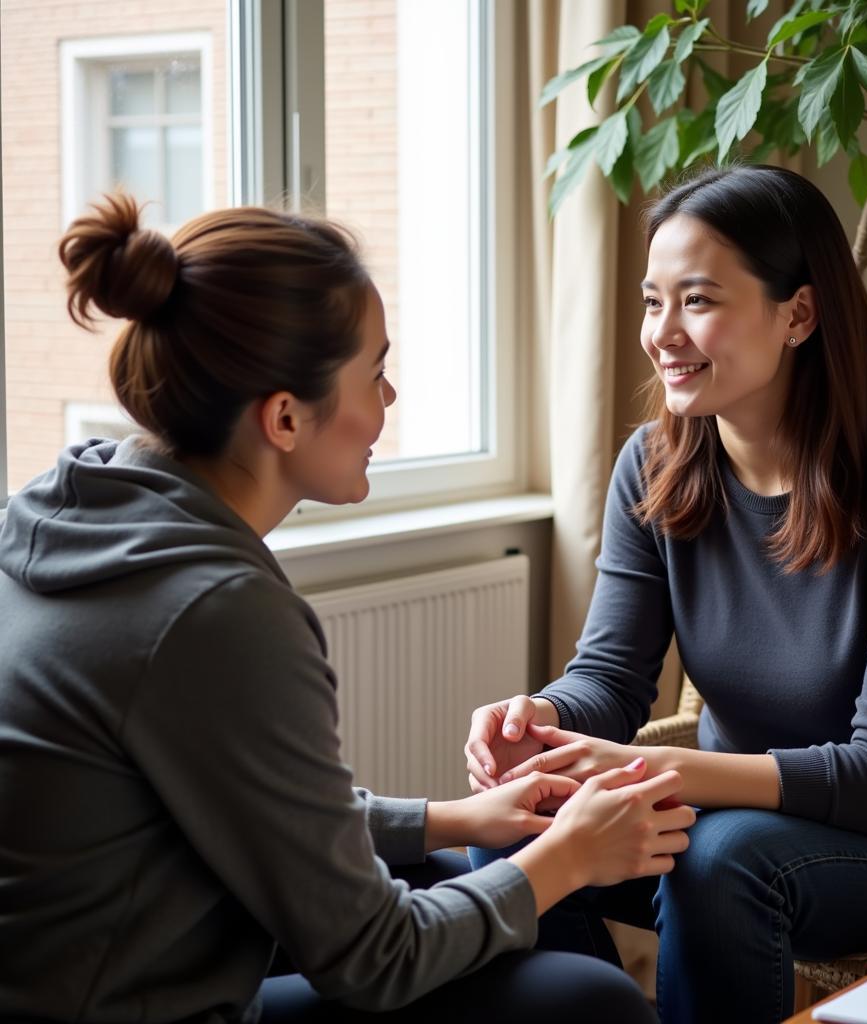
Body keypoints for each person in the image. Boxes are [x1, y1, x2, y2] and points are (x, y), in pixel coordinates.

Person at [0, 193, 696, 1023]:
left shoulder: (68, 516)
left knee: (454, 874)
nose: (390, 397)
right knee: (590, 1000)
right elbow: (376, 960)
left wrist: (452, 819)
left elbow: (261, 806)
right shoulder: (215, 610)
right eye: (374, 372)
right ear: (285, 417)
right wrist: (570, 857)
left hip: (106, 963)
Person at [465, 165, 867, 1024]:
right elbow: (611, 680)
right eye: (654, 302)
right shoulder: (653, 467)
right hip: (742, 807)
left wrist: (658, 770)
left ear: (798, 313)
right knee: (510, 824)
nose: (663, 333)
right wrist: (535, 723)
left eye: (697, 300)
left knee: (722, 859)